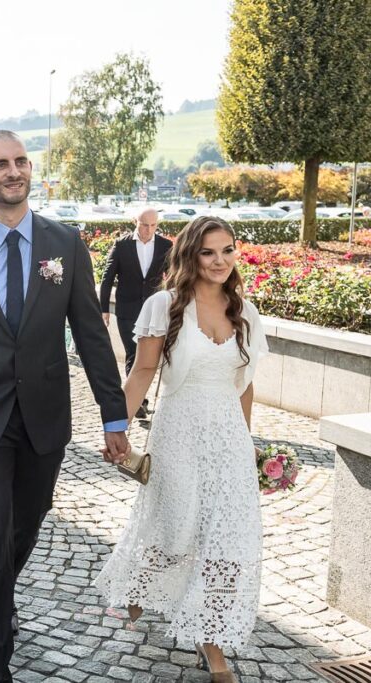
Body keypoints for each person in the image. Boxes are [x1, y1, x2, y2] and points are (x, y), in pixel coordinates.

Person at [0, 130, 130, 683]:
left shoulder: (65, 242)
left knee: (27, 527)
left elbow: (89, 333)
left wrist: (114, 415)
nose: (13, 172)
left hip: (45, 420)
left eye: (20, 162)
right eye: (0, 165)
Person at [94, 216, 268, 683]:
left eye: (228, 250)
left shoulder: (244, 312)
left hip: (227, 438)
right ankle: (139, 587)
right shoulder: (163, 305)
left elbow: (244, 385)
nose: (219, 261)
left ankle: (212, 645)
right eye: (208, 252)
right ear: (191, 255)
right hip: (178, 431)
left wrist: (246, 445)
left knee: (228, 540)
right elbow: (142, 372)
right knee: (173, 530)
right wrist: (117, 427)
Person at [99, 207, 173, 417]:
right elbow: (107, 277)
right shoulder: (122, 245)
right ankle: (137, 401)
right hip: (127, 309)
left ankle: (137, 398)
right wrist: (103, 308)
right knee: (133, 353)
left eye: (153, 225)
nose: (148, 230)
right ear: (135, 222)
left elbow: (175, 275)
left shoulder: (166, 246)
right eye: (144, 225)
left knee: (149, 357)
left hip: (155, 310)